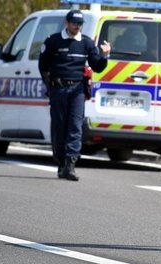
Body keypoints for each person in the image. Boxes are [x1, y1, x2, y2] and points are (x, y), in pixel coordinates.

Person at [38, 10, 111, 181]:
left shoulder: (86, 43)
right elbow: (43, 66)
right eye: (74, 23)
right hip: (58, 89)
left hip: (77, 90)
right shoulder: (53, 41)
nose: (77, 26)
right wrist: (50, 86)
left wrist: (105, 56)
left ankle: (70, 165)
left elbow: (97, 66)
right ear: (67, 22)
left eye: (80, 24)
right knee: (59, 126)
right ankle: (61, 161)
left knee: (75, 127)